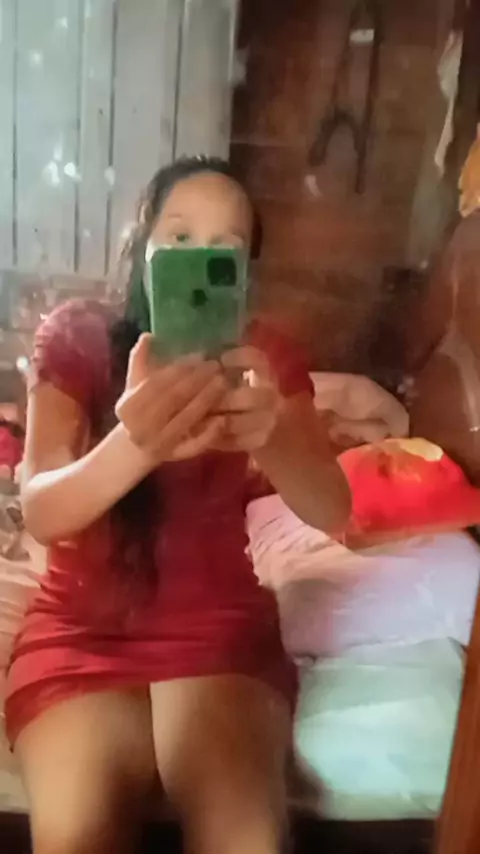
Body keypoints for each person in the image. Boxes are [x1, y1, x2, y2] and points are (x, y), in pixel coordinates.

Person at [5, 157, 350, 854]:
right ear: (142, 247)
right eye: (180, 237)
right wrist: (135, 445)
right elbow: (41, 509)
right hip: (82, 631)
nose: (199, 259)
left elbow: (333, 510)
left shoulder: (266, 357)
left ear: (245, 271)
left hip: (219, 631)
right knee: (75, 839)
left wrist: (274, 435)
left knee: (246, 843)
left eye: (225, 248)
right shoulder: (78, 336)